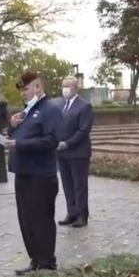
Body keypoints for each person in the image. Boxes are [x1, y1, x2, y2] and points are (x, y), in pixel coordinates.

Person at [5, 71, 62, 275]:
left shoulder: (49, 109)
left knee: (41, 219)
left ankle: (47, 262)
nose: (23, 94)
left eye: (26, 89)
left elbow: (51, 140)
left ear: (38, 87)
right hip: (23, 172)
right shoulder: (28, 110)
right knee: (26, 219)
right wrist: (12, 129)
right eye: (22, 90)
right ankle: (35, 259)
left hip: (40, 175)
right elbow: (22, 134)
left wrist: (19, 144)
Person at [56, 76, 93, 228]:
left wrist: (68, 143)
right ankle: (71, 213)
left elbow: (83, 130)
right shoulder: (60, 105)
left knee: (79, 185)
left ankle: (82, 215)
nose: (65, 89)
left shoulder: (84, 106)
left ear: (76, 88)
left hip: (78, 152)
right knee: (67, 184)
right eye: (63, 85)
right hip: (61, 152)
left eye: (68, 86)